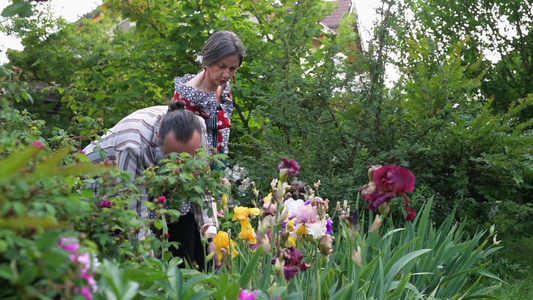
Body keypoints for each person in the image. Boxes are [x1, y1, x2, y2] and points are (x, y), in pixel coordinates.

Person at [83, 101, 220, 270]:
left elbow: (202, 185)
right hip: (99, 184)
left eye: (187, 158)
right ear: (158, 137)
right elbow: (134, 215)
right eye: (174, 158)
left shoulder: (197, 126)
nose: (181, 165)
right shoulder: (133, 146)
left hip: (142, 180)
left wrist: (213, 238)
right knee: (117, 255)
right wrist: (151, 269)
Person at [173, 30, 246, 156]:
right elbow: (179, 147)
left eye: (233, 69)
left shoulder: (225, 90)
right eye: (221, 66)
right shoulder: (185, 98)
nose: (226, 75)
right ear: (208, 60)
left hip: (218, 166)